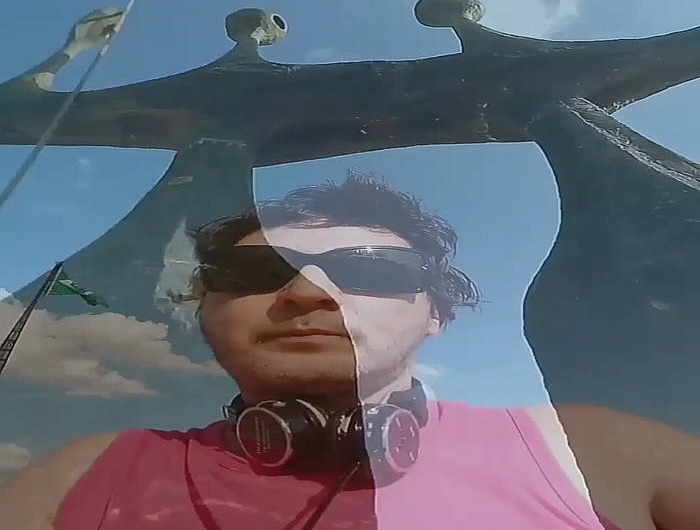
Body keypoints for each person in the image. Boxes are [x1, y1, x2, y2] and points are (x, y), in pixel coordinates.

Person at [1, 172, 699, 529]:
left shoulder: (597, 452)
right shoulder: (84, 472)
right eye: (253, 273)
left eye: (370, 271)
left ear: (436, 314)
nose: (308, 294)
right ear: (204, 310)